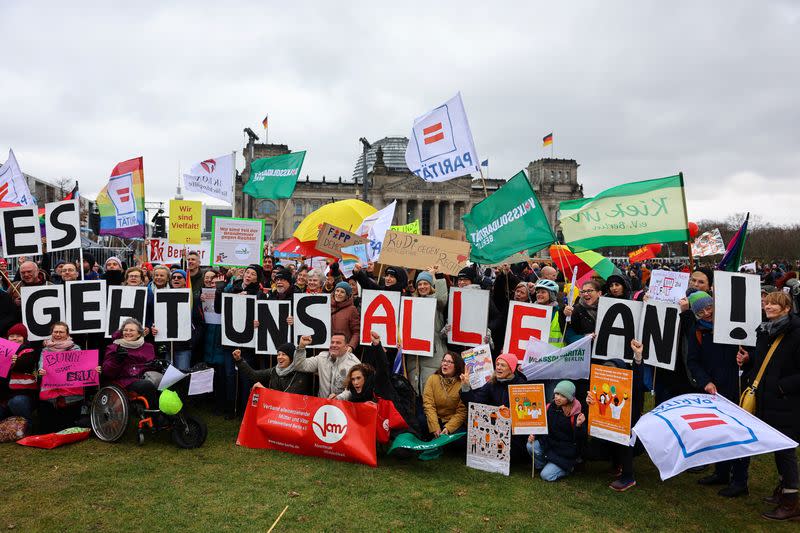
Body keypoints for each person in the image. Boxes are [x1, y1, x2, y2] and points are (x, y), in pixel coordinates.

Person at [739, 291, 800, 521]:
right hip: (768, 401)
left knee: (785, 450)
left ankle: (791, 502)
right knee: (777, 446)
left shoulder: (796, 333)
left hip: (786, 402)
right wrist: (748, 360)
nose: (769, 306)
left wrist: (781, 387)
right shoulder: (765, 330)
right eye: (767, 302)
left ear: (786, 308)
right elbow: (765, 362)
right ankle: (783, 489)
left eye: (775, 303)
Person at [685, 290, 750, 497]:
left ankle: (740, 480)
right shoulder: (696, 331)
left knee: (737, 433)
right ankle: (721, 472)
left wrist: (746, 358)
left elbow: (751, 350)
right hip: (713, 389)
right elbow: (693, 361)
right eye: (701, 310)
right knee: (717, 431)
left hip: (737, 386)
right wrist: (705, 381)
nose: (707, 312)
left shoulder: (733, 324)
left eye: (709, 307)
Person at [460, 352, 528, 462]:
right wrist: (465, 386)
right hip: (493, 428)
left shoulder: (521, 386)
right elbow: (475, 403)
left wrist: (509, 411)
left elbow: (526, 412)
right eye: (497, 364)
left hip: (513, 434)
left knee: (513, 456)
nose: (498, 368)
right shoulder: (491, 383)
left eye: (503, 365)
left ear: (511, 368)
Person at [527, 380, 586, 481]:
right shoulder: (549, 407)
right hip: (550, 445)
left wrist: (579, 426)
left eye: (563, 396)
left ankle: (569, 468)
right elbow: (542, 425)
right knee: (530, 445)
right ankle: (542, 466)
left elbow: (581, 440)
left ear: (569, 398)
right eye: (557, 394)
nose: (558, 397)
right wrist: (534, 435)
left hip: (565, 452)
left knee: (546, 476)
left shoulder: (577, 414)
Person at [37, 322, 91, 433]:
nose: (58, 334)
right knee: (48, 429)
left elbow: (81, 367)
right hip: (50, 394)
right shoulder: (45, 350)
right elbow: (41, 364)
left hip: (70, 396)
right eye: (55, 331)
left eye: (61, 332)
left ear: (67, 334)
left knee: (67, 428)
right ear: (51, 333)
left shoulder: (76, 349)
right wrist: (40, 370)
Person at [406, 267, 449, 394]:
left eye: (425, 283)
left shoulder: (437, 303)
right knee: (416, 394)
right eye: (419, 284)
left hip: (433, 357)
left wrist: (437, 277)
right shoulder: (411, 303)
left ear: (431, 286)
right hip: (414, 359)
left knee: (432, 395)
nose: (422, 286)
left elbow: (442, 297)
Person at [101, 318, 158, 409]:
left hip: (145, 376)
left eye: (131, 330)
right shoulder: (114, 347)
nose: (128, 332)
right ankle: (155, 414)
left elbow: (151, 366)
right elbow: (107, 371)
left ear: (139, 333)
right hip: (124, 381)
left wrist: (156, 365)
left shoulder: (148, 347)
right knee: (146, 385)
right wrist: (117, 360)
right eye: (125, 330)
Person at [292, 332, 360, 398]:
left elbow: (355, 387)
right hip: (322, 406)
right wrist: (301, 347)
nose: (334, 345)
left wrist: (339, 397)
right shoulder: (322, 357)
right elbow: (300, 366)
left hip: (343, 406)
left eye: (338, 343)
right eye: (332, 342)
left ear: (346, 347)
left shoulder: (354, 363)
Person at [232, 340, 312, 395]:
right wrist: (239, 360)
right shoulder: (274, 370)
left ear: (291, 358)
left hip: (293, 414)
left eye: (283, 354)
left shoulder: (300, 374)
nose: (279, 357)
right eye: (278, 354)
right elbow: (254, 375)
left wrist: (264, 390)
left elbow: (288, 397)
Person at [0, 324, 39, 427]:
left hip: (24, 396)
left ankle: (28, 427)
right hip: (4, 397)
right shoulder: (1, 351)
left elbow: (27, 364)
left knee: (17, 402)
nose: (15, 338)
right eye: (12, 336)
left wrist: (16, 362)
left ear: (24, 338)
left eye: (18, 336)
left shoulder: (29, 351)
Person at [422, 351, 467, 437]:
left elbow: (462, 412)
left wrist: (448, 428)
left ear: (456, 366)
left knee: (460, 439)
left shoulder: (462, 383)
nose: (445, 364)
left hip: (451, 419)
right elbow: (429, 405)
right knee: (422, 422)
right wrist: (434, 426)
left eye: (449, 362)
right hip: (436, 418)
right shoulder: (432, 379)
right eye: (444, 361)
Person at [330, 281, 360, 352]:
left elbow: (356, 332)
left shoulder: (352, 310)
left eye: (342, 292)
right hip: (326, 349)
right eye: (337, 291)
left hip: (343, 350)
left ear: (347, 295)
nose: (338, 294)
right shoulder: (326, 305)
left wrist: (351, 346)